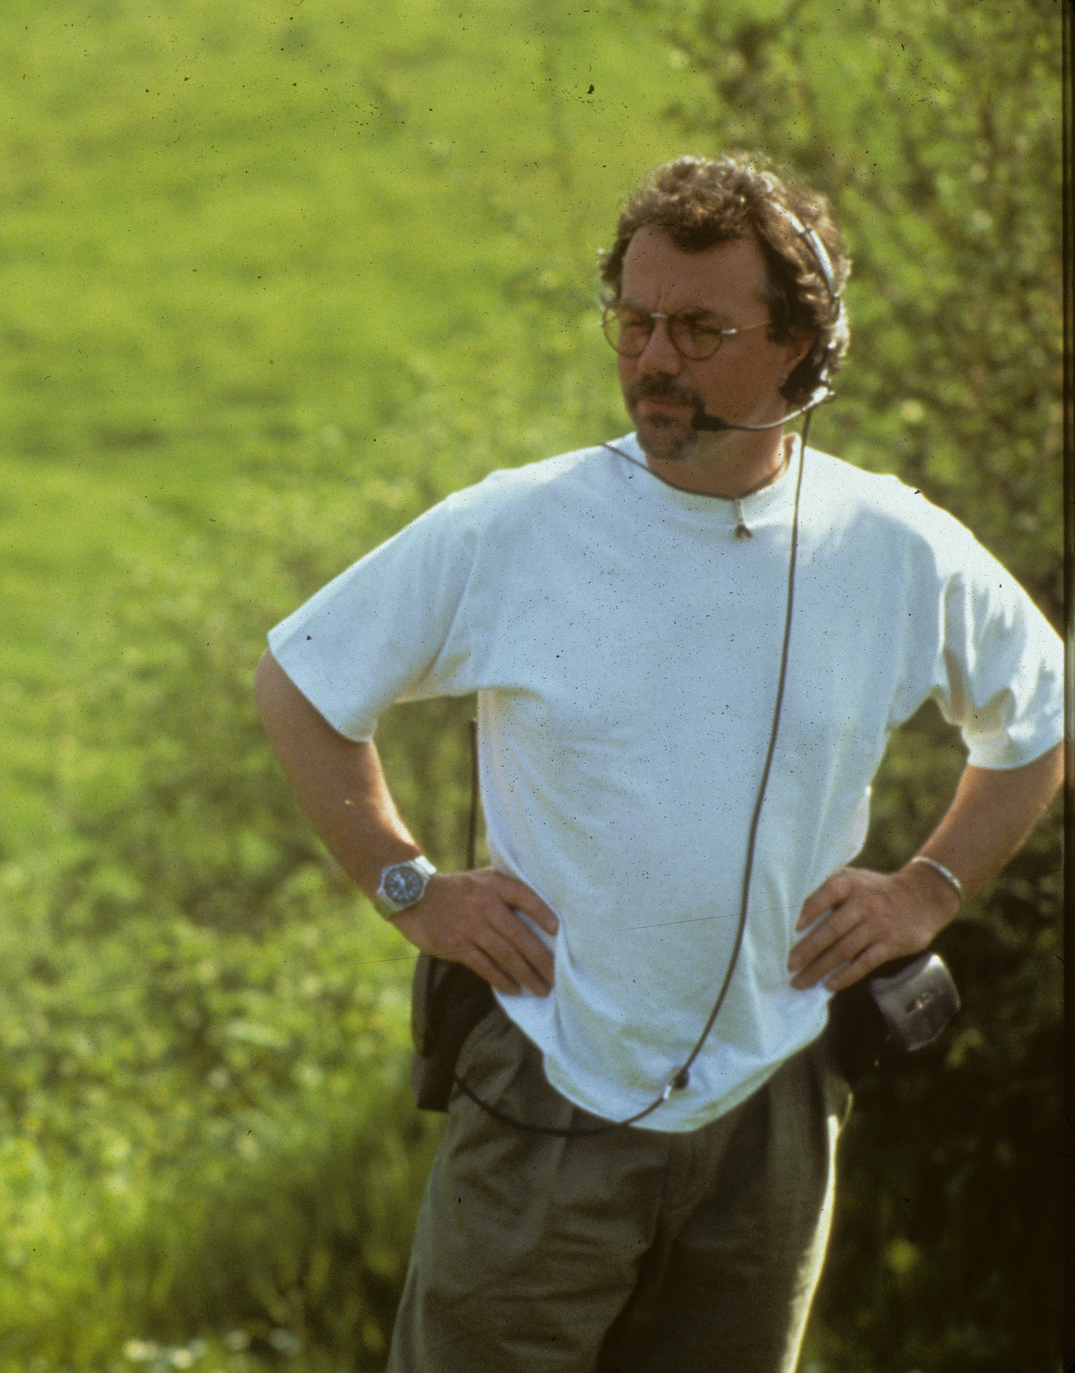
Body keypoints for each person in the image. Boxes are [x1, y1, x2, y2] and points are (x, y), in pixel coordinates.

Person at [254, 153, 1063, 1372]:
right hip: (544, 1080)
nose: (650, 359)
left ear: (804, 345)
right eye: (631, 321)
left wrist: (927, 888)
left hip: (776, 1099)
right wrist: (407, 884)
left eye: (696, 326)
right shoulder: (516, 525)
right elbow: (299, 682)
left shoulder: (894, 547)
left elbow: (1038, 716)